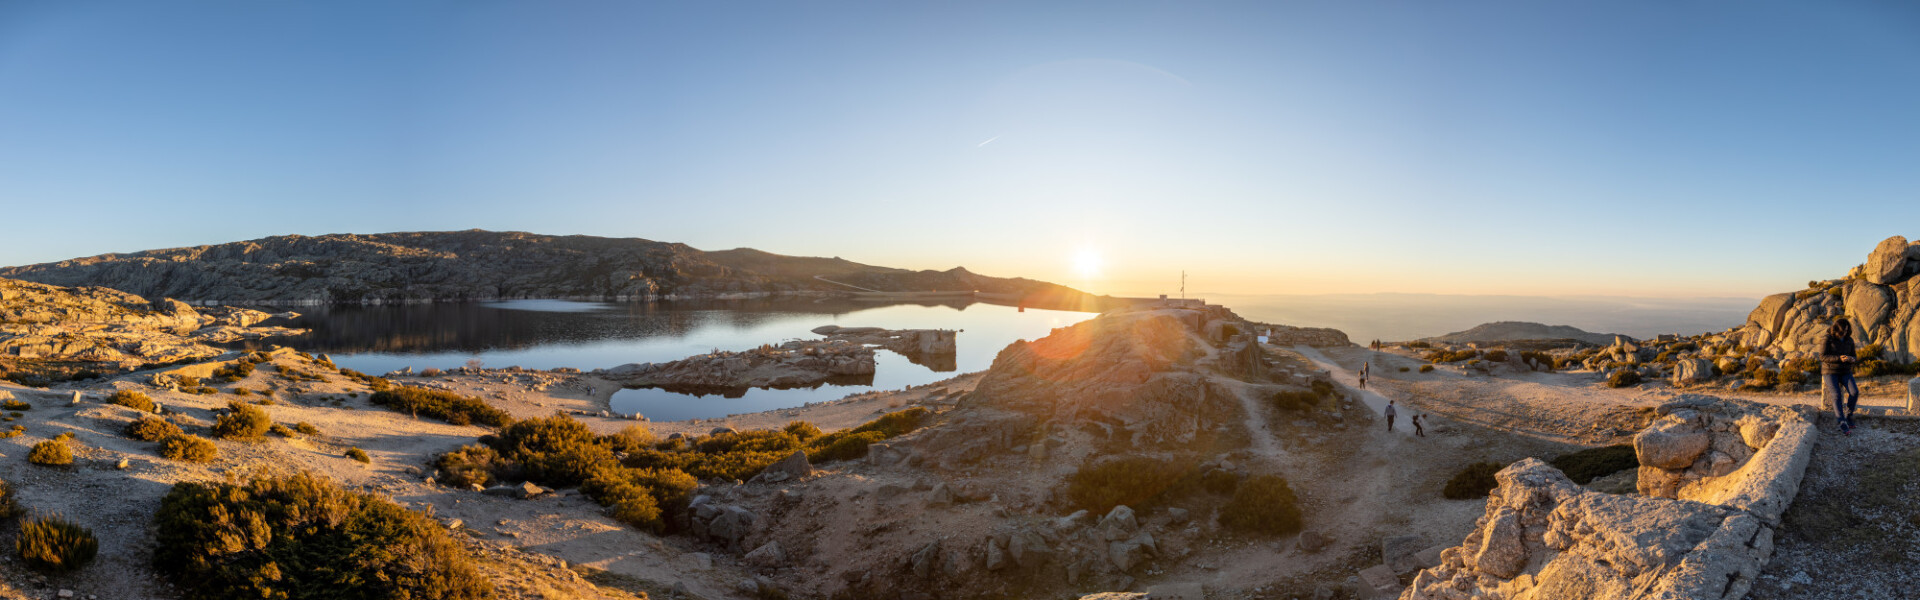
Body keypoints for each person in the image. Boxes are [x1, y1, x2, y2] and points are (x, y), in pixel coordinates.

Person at [1819, 317, 1860, 435]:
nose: (1844, 333)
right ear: (1836, 329)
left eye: (1847, 331)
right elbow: (1822, 356)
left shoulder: (1849, 340)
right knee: (1836, 394)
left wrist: (1852, 359)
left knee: (1854, 392)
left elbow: (1854, 355)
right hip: (1830, 371)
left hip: (1845, 370)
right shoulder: (1827, 339)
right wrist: (1838, 358)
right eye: (1842, 331)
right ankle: (1841, 421)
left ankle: (1849, 415)